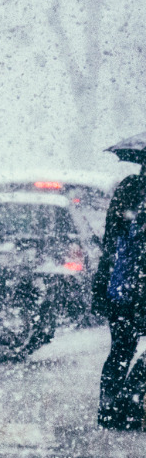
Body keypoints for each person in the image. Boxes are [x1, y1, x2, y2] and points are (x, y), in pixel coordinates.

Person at [91, 170, 146, 431]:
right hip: (135, 288)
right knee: (122, 350)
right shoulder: (135, 193)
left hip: (120, 287)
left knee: (120, 350)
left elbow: (111, 241)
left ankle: (111, 406)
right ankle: (127, 402)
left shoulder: (128, 188)